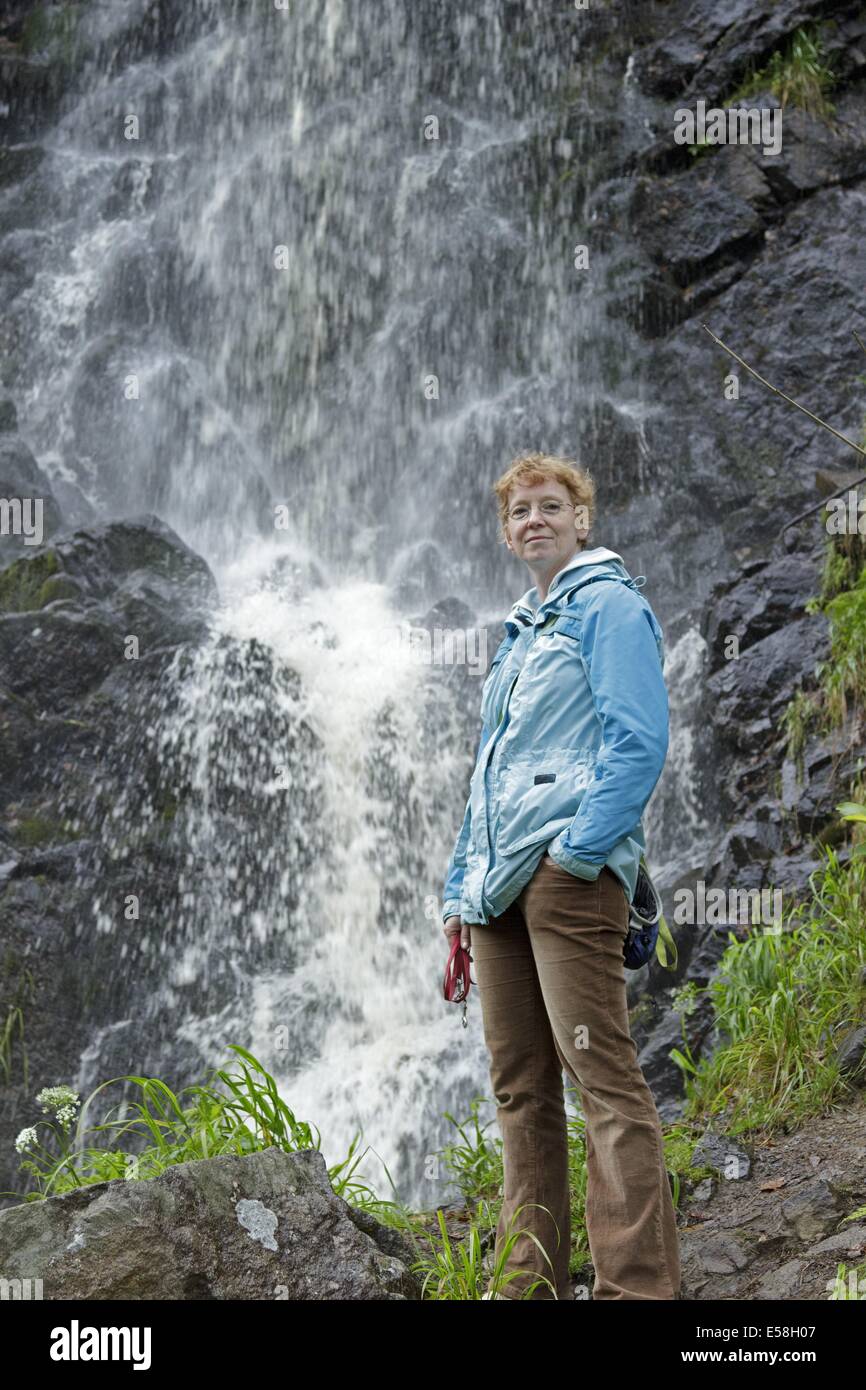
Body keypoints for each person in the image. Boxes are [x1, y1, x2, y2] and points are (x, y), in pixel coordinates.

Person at [441, 451, 681, 1301]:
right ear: (505, 532)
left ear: (583, 519)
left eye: (550, 506)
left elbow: (639, 741)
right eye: (518, 512)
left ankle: (637, 1290)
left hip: (565, 879)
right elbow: (488, 775)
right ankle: (526, 1289)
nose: (533, 520)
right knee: (520, 1089)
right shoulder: (518, 636)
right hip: (495, 893)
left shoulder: (609, 608)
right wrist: (457, 894)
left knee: (603, 1078)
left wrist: (577, 853)